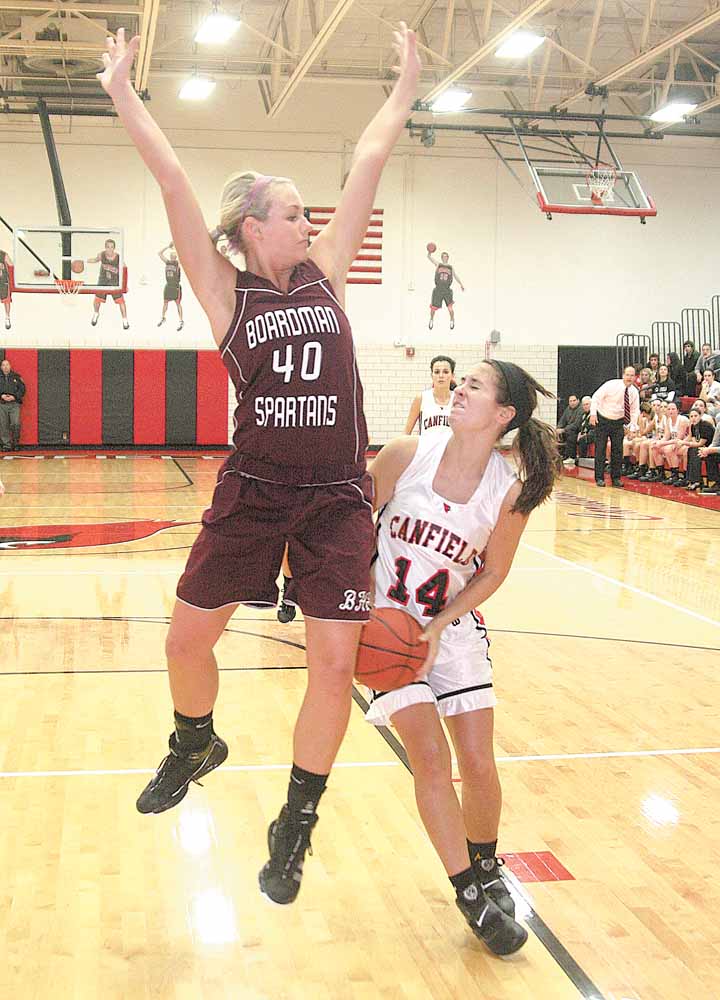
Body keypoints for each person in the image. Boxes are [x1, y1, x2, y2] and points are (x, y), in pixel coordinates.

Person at [98, 25, 421, 904]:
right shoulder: (221, 288)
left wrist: (404, 87)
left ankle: (295, 824)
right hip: (254, 489)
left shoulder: (325, 273)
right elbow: (171, 180)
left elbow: (370, 160)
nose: (310, 220)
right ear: (252, 227)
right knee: (185, 641)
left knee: (331, 668)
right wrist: (124, 90)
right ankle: (194, 739)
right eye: (292, 211)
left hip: (337, 499)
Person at [367, 358, 560, 954]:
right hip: (387, 634)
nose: (460, 388)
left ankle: (486, 863)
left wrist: (443, 622)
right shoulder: (406, 453)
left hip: (449, 630)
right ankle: (468, 894)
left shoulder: (510, 491)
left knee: (477, 762)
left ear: (503, 415)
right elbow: (348, 527)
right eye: (462, 380)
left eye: (475, 384)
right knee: (429, 758)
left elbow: (495, 570)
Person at [590, 366, 640, 487]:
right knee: (600, 449)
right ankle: (599, 478)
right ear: (623, 375)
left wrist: (632, 427)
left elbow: (634, 411)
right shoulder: (611, 385)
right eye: (627, 375)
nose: (629, 378)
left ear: (635, 377)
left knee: (618, 451)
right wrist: (592, 414)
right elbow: (596, 397)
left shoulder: (634, 392)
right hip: (603, 419)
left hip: (618, 422)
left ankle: (616, 478)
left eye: (632, 375)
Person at [404, 355, 456, 435]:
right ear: (432, 375)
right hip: (426, 447)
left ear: (452, 375)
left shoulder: (458, 400)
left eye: (445, 372)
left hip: (451, 447)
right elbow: (406, 433)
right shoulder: (421, 398)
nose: (441, 376)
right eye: (437, 372)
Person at [88, 238, 129, 329]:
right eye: (108, 247)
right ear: (105, 248)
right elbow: (95, 260)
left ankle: (125, 320)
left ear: (114, 248)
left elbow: (125, 270)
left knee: (121, 302)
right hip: (103, 281)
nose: (109, 249)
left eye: (111, 247)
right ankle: (96, 314)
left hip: (114, 282)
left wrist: (125, 285)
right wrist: (85, 260)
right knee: (96, 300)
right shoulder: (101, 255)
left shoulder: (119, 258)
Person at [678, 406, 715, 490]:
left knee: (695, 451)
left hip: (712, 448)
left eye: (695, 416)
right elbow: (695, 442)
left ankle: (697, 481)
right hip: (703, 448)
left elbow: (700, 443)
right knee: (691, 450)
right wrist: (687, 444)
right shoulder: (693, 426)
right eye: (691, 416)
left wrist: (684, 442)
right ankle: (691, 479)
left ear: (700, 416)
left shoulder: (705, 425)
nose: (693, 418)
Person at [427, 250, 464, 330]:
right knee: (433, 308)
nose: (444, 258)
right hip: (438, 289)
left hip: (447, 290)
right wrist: (429, 252)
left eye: (445, 256)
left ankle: (452, 320)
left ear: (448, 258)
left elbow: (455, 276)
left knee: (450, 308)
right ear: (441, 258)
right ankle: (431, 319)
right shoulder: (438, 264)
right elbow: (429, 257)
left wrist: (461, 284)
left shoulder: (450, 267)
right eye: (443, 257)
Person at [157, 242, 184, 331]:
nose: (172, 257)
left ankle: (181, 321)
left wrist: (178, 247)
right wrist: (168, 246)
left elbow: (183, 257)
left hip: (175, 286)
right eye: (171, 255)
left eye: (174, 256)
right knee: (165, 303)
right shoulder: (167, 262)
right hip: (168, 286)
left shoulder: (178, 264)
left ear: (176, 257)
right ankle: (163, 317)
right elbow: (159, 253)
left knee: (178, 304)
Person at [0, 358, 25, 451]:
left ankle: (15, 443)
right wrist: (1, 396)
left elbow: (22, 390)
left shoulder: (16, 377)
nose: (5, 367)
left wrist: (14, 397)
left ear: (10, 366)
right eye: (3, 365)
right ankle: (6, 445)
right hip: (2, 404)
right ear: (1, 367)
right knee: (3, 425)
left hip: (14, 404)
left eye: (7, 365)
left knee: (16, 423)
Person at [556, 393, 583, 465]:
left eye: (574, 400)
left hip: (578, 430)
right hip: (568, 429)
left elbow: (576, 424)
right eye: (570, 401)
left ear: (578, 400)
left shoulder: (581, 409)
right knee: (557, 433)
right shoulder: (568, 409)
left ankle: (571, 457)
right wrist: (558, 428)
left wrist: (564, 429)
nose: (572, 403)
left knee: (570, 433)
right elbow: (562, 420)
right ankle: (563, 455)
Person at [575, 395, 594, 459]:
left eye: (587, 404)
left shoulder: (594, 414)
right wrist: (580, 433)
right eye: (584, 405)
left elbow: (593, 427)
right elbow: (582, 426)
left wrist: (584, 434)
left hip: (595, 433)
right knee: (573, 436)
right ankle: (572, 457)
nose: (585, 406)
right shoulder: (584, 415)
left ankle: (582, 458)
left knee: (583, 439)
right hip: (587, 433)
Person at [0, 249, 12, 330]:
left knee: (6, 300)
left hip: (3, 280)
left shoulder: (3, 254)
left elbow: (11, 266)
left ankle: (7, 317)